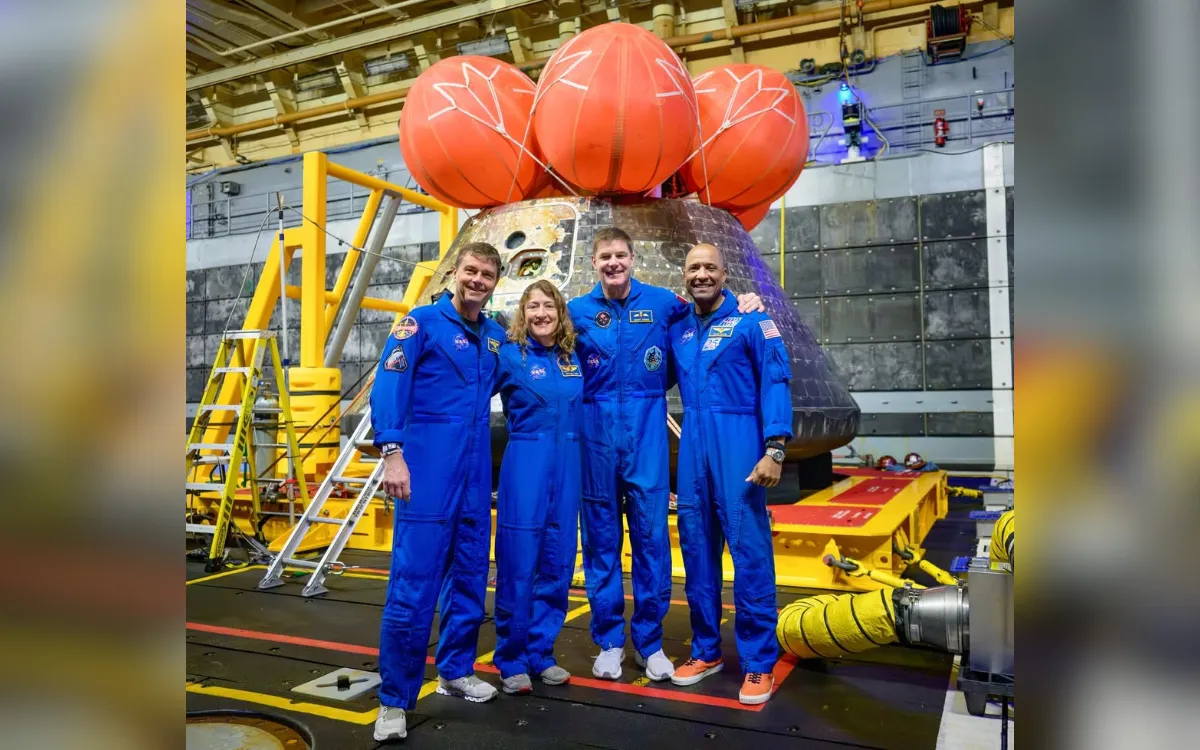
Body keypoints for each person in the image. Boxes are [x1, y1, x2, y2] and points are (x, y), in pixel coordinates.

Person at [568, 227, 763, 682]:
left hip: (647, 436)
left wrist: (748, 299)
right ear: (593, 264)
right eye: (605, 257)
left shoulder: (663, 305)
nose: (613, 263)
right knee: (600, 544)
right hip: (594, 436)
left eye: (620, 255)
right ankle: (611, 642)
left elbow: (709, 309)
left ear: (633, 259)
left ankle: (650, 642)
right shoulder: (575, 312)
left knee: (652, 543)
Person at [370, 243, 507, 742]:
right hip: (425, 468)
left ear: (495, 282)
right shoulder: (419, 323)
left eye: (487, 274)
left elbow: (540, 358)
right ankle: (393, 700)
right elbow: (388, 386)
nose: (477, 280)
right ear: (454, 273)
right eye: (470, 271)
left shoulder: (494, 336)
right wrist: (392, 451)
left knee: (470, 575)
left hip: (473, 474)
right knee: (414, 586)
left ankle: (455, 670)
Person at [666, 242, 793, 706]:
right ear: (685, 275)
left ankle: (759, 663)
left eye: (710, 268)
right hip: (695, 442)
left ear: (724, 273)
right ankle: (706, 651)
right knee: (697, 553)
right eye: (693, 268)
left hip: (740, 441)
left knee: (749, 552)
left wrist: (775, 447)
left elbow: (776, 379)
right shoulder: (678, 327)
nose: (701, 274)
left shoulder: (752, 319)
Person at [492, 280, 584, 695]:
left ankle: (541, 652)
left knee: (558, 561)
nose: (541, 313)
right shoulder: (509, 355)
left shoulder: (572, 356)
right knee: (518, 562)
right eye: (533, 306)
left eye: (549, 305)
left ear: (560, 311)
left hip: (568, 466)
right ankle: (510, 658)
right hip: (525, 463)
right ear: (522, 313)